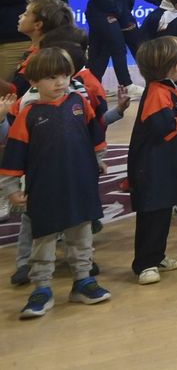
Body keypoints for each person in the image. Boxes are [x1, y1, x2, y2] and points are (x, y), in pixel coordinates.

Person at [0, 46, 113, 318]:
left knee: (81, 234)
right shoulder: (28, 114)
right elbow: (14, 154)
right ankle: (42, 288)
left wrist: (98, 159)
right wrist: (11, 189)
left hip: (80, 183)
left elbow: (94, 134)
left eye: (64, 75)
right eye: (51, 77)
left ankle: (83, 281)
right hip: (44, 188)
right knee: (44, 238)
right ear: (34, 81)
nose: (60, 82)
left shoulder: (79, 103)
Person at [128, 35, 177, 283]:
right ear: (175, 66)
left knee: (163, 212)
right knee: (151, 214)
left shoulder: (167, 88)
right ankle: (145, 264)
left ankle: (157, 255)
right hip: (151, 166)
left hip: (165, 165)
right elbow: (164, 128)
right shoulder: (157, 92)